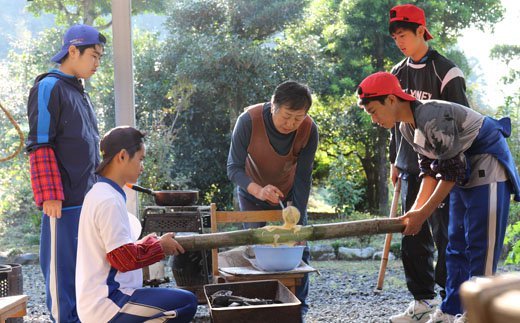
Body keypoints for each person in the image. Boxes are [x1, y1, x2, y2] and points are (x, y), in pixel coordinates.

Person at [357, 71, 520, 323]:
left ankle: (478, 313)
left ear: (391, 100)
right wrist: (415, 211)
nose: (374, 119)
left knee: (480, 244)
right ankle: (451, 308)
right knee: (454, 244)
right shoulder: (406, 128)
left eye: (373, 111)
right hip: (460, 168)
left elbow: (449, 174)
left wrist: (422, 215)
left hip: (487, 162)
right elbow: (429, 172)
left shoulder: (431, 116)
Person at [387, 4, 470, 322]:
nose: (399, 41)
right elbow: (393, 120)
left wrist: (455, 166)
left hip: (444, 167)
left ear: (422, 31)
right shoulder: (396, 73)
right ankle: (421, 302)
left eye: (404, 34)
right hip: (410, 165)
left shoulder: (446, 71)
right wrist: (394, 160)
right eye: (395, 37)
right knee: (411, 232)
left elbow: (461, 122)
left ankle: (451, 304)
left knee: (449, 236)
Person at [26, 24, 106, 322]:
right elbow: (40, 144)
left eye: (100, 58)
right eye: (94, 56)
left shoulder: (78, 91)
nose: (97, 63)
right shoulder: (49, 87)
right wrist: (50, 196)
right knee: (62, 275)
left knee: (86, 271)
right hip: (62, 203)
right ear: (73, 51)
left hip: (87, 199)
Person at [76, 126, 198, 322]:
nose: (142, 166)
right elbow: (123, 260)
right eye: (140, 159)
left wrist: (147, 244)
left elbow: (114, 252)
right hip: (109, 303)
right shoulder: (108, 200)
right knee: (187, 302)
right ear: (122, 156)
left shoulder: (100, 193)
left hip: (102, 300)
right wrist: (160, 247)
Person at [227, 80, 319, 315]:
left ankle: (299, 309)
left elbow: (303, 178)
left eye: (297, 118)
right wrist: (258, 189)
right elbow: (233, 168)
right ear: (273, 105)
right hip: (252, 191)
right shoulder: (248, 120)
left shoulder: (309, 129)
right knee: (257, 250)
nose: (291, 124)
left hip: (289, 193)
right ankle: (261, 307)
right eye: (286, 116)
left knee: (300, 246)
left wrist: (296, 220)